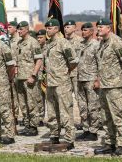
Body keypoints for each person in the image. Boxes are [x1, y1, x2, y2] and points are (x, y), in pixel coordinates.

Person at [94, 18, 122, 156]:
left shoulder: (116, 42)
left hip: (116, 85)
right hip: (104, 86)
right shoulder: (102, 43)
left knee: (118, 116)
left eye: (101, 27)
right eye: (98, 27)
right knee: (106, 116)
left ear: (109, 28)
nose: (98, 29)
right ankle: (110, 143)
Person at [45, 19, 79, 150]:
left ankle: (69, 139)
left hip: (61, 82)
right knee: (52, 112)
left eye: (50, 28)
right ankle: (54, 135)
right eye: (47, 28)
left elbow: (74, 61)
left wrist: (65, 72)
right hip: (50, 82)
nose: (48, 30)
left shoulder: (63, 43)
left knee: (65, 112)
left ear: (57, 29)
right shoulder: (48, 44)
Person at [16, 21, 43, 136]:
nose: (19, 31)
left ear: (27, 29)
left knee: (32, 103)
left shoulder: (33, 42)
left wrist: (33, 75)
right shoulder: (19, 43)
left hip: (29, 78)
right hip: (20, 77)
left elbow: (39, 60)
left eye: (21, 29)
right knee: (23, 104)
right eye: (18, 29)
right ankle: (27, 125)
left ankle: (34, 126)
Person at [76, 22, 100, 141]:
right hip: (80, 79)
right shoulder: (80, 45)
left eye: (86, 30)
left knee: (93, 107)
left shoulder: (96, 45)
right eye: (82, 30)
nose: (83, 32)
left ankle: (93, 131)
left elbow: (101, 63)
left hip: (91, 79)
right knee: (82, 106)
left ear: (92, 31)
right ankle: (85, 129)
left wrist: (98, 79)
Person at [64, 20, 82, 130]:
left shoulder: (80, 42)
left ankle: (84, 122)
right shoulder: (63, 42)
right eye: (65, 27)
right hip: (65, 74)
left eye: (69, 27)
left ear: (75, 28)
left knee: (80, 100)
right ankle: (69, 123)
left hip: (77, 74)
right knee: (67, 100)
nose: (66, 29)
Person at [8, 21, 20, 124]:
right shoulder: (9, 41)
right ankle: (15, 116)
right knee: (14, 96)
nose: (8, 29)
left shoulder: (19, 41)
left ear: (16, 28)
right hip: (11, 71)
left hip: (20, 71)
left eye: (10, 27)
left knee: (22, 97)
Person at [36, 29, 47, 126]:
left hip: (48, 77)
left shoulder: (49, 47)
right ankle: (40, 117)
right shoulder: (37, 48)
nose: (39, 39)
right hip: (39, 76)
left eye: (41, 37)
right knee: (39, 98)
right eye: (38, 38)